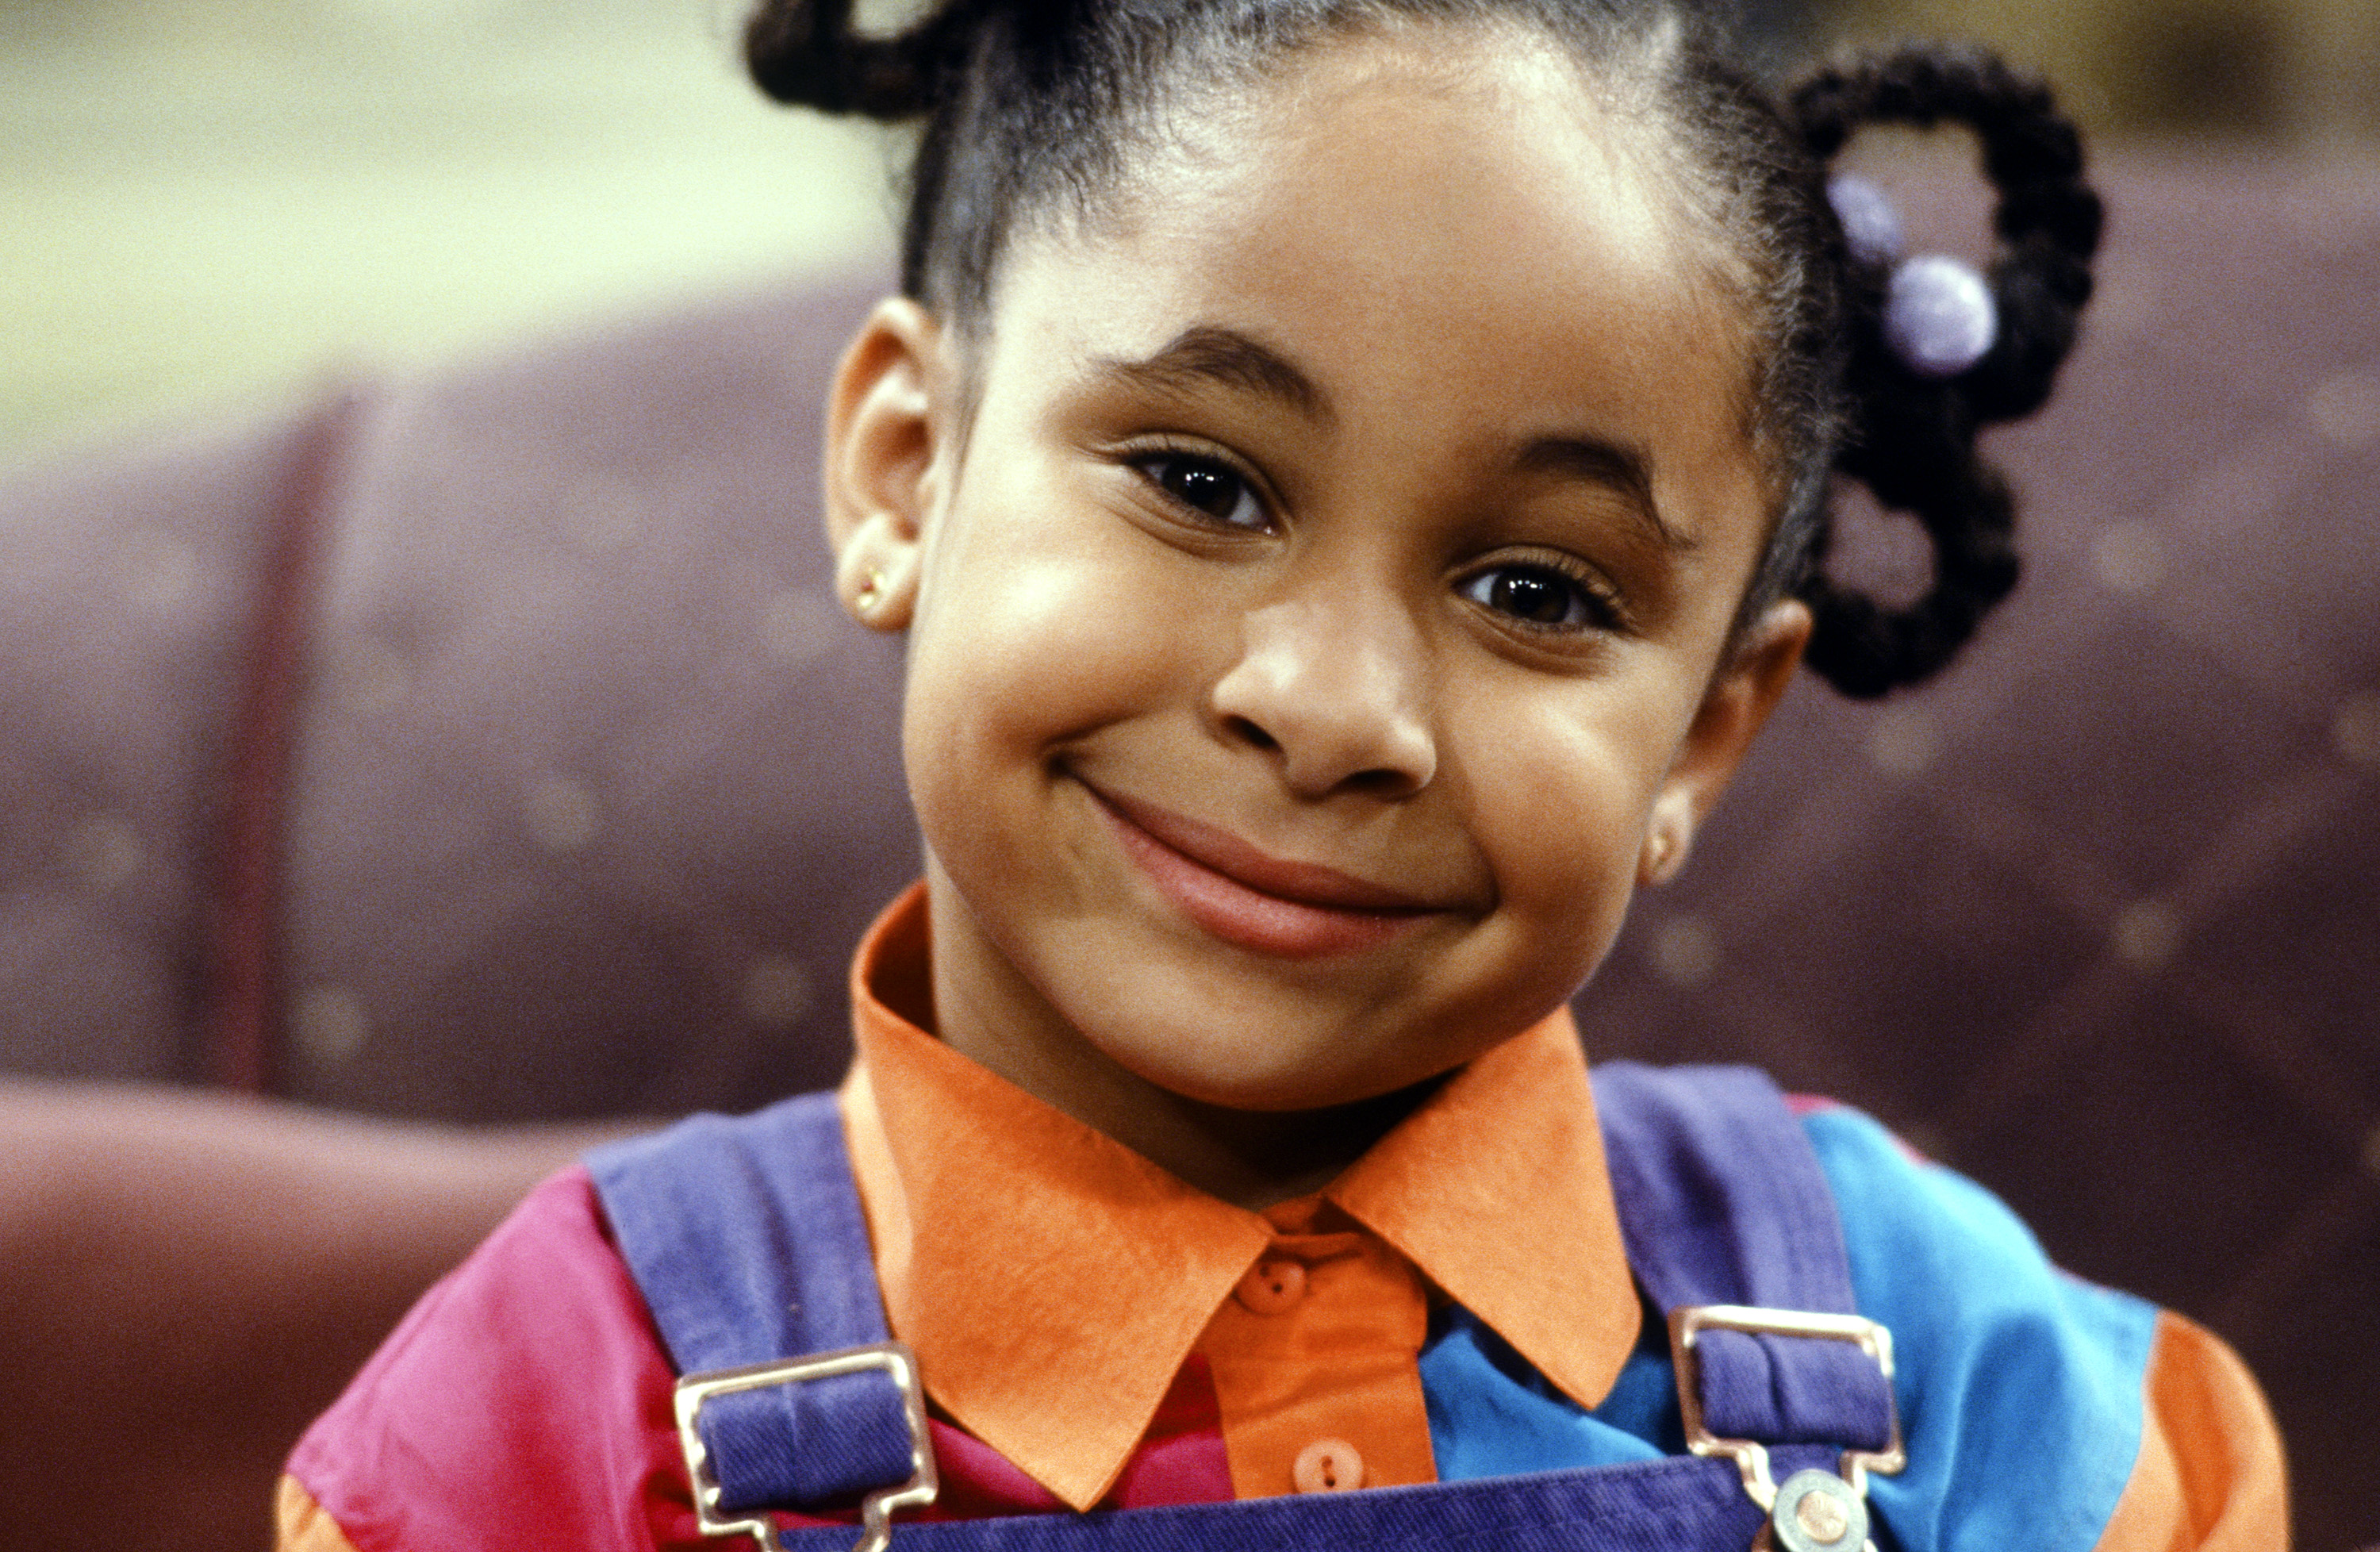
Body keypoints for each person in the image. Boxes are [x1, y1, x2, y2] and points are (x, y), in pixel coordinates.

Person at [273, 2, 2286, 1548]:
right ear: (907, 470)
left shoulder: (1986, 1384)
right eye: (1203, 480)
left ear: (1701, 736)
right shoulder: (523, 1438)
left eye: (1538, 590)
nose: (1333, 708)